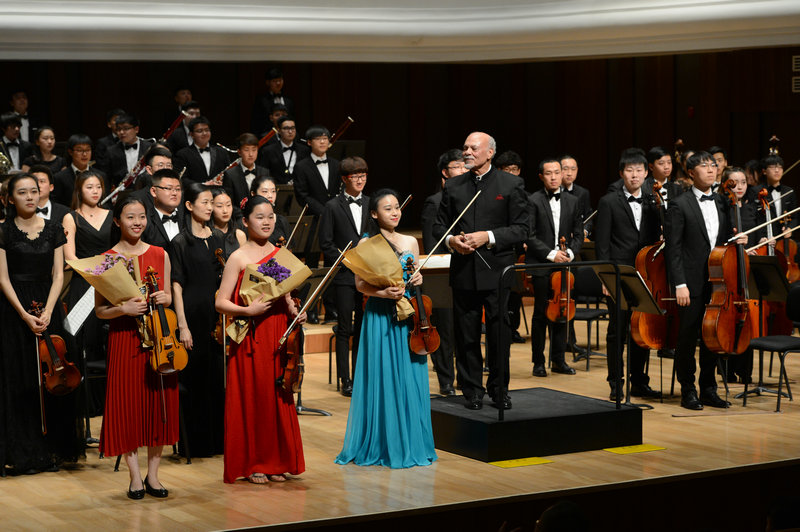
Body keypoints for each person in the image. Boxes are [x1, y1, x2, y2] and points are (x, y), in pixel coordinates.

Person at [335, 189, 437, 468]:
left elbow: (415, 275)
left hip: (410, 316)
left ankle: (412, 441)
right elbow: (360, 285)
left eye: (397, 207)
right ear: (374, 213)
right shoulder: (367, 243)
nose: (394, 212)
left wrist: (418, 278)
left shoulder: (410, 241)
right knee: (383, 375)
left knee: (410, 375)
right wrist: (383, 293)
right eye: (387, 208)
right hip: (381, 315)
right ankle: (384, 442)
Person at [432, 131, 529, 410]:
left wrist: (488, 236)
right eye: (465, 147)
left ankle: (499, 389)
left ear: (490, 153)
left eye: (474, 148)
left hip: (498, 271)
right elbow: (439, 227)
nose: (467, 152)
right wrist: (452, 241)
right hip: (464, 270)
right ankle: (471, 391)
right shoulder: (453, 185)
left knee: (499, 334)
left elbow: (522, 229)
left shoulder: (511, 184)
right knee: (466, 335)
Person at [215, 195, 306, 484]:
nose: (266, 222)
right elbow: (220, 302)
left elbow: (287, 296)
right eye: (259, 217)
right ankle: (254, 462)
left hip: (278, 332)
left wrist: (295, 312)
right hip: (251, 336)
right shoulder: (238, 257)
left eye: (270, 216)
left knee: (277, 395)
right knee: (255, 398)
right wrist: (247, 310)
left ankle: (277, 461)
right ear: (245, 221)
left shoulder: (281, 254)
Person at [0, 173, 84, 475]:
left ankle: (53, 448)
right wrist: (25, 315)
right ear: (10, 199)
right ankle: (24, 450)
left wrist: (48, 311)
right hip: (14, 310)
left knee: (54, 377)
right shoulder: (3, 231)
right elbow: (2, 279)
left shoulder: (53, 229)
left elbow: (58, 275)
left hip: (48, 306)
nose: (29, 197)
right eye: (22, 192)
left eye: (33, 191)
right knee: (20, 376)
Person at [96, 195, 178, 499]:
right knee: (126, 406)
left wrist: (166, 298)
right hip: (124, 339)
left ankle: (153, 475)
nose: (137, 222)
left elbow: (168, 296)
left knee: (159, 403)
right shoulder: (106, 259)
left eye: (141, 216)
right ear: (117, 221)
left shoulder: (160, 254)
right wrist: (123, 309)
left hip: (158, 338)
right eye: (130, 217)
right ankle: (134, 477)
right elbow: (100, 311)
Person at [665, 151, 745, 410]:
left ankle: (709, 388)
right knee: (687, 338)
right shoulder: (679, 204)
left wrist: (739, 240)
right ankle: (688, 390)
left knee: (713, 336)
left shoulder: (723, 201)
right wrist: (679, 284)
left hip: (719, 281)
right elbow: (673, 249)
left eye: (713, 165)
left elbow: (726, 240)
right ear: (691, 173)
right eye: (704, 166)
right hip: (690, 283)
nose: (711, 170)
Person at [594, 150, 662, 400]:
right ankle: (616, 383)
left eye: (639, 170)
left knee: (641, 329)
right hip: (618, 274)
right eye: (629, 170)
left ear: (646, 173)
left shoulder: (653, 201)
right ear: (621, 173)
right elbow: (602, 244)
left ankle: (639, 382)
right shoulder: (608, 202)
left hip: (646, 275)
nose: (634, 175)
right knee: (617, 330)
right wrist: (605, 278)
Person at [171, 183, 225, 457]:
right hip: (192, 315)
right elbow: (176, 285)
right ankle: (195, 444)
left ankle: (218, 441)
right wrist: (182, 325)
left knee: (217, 377)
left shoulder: (218, 238)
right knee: (195, 379)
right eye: (204, 202)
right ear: (190, 205)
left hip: (216, 317)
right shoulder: (180, 242)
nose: (209, 207)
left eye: (211, 202)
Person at [319, 156, 372, 397]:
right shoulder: (332, 206)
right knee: (344, 328)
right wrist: (347, 259)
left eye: (363, 175)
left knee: (362, 326)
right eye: (355, 176)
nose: (360, 180)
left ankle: (359, 375)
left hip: (367, 275)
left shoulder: (371, 203)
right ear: (344, 179)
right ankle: (345, 379)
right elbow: (326, 243)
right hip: (344, 276)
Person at [62, 169, 113, 416]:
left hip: (110, 282)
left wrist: (106, 270)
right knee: (80, 339)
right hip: (83, 283)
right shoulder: (71, 217)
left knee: (107, 340)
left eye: (98, 187)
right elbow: (70, 256)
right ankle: (85, 405)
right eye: (89, 187)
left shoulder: (111, 215)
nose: (95, 191)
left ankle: (108, 402)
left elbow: (117, 250)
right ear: (79, 190)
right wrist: (94, 270)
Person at [526, 159, 582, 379]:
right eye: (548, 173)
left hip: (565, 264)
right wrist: (551, 254)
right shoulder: (533, 200)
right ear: (541, 176)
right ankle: (538, 362)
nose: (553, 177)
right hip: (542, 264)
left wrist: (569, 253)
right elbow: (529, 235)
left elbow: (578, 234)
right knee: (541, 314)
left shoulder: (573, 201)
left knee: (562, 312)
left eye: (557, 172)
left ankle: (559, 360)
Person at [420, 149, 464, 395]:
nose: (463, 170)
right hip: (443, 275)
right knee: (445, 330)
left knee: (464, 329)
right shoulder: (434, 202)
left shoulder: (471, 199)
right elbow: (431, 245)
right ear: (445, 173)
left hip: (467, 272)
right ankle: (446, 380)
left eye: (466, 166)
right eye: (458, 166)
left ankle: (466, 378)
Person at [292, 124, 341, 323]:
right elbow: (302, 195)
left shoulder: (336, 164)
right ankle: (309, 309)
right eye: (318, 138)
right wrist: (325, 211)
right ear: (309, 143)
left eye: (325, 138)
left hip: (334, 223)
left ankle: (331, 309)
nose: (323, 141)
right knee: (311, 267)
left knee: (332, 266)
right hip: (313, 222)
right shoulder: (301, 166)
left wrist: (333, 212)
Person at [495, 150, 526, 345]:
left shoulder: (523, 194)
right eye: (507, 170)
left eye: (514, 170)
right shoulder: (495, 193)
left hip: (518, 250)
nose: (511, 174)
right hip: (499, 249)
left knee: (516, 293)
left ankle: (513, 328)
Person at [53, 133, 109, 206]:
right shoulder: (59, 178)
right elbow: (57, 205)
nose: (85, 154)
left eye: (88, 150)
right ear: (70, 152)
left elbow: (107, 204)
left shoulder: (101, 176)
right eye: (80, 150)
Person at [174, 116, 231, 187]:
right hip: (195, 192)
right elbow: (181, 178)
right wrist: (202, 185)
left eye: (207, 130)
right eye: (199, 131)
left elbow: (229, 174)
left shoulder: (221, 152)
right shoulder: (182, 154)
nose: (204, 133)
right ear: (191, 134)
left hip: (219, 191)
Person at [100, 114, 154, 186]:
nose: (121, 132)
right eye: (118, 129)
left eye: (126, 128)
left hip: (147, 189)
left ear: (136, 129)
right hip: (123, 192)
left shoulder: (149, 147)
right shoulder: (111, 151)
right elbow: (106, 178)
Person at [142, 168, 184, 256]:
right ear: (154, 191)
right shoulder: (144, 220)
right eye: (169, 188)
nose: (174, 193)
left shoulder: (187, 217)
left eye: (178, 189)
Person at [258, 115, 310, 184]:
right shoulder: (268, 151)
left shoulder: (304, 150)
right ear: (279, 130)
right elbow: (263, 174)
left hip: (300, 189)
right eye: (286, 128)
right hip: (276, 188)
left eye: (293, 128)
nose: (290, 131)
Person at [222, 132, 269, 208]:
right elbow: (229, 203)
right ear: (239, 152)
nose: (251, 154)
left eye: (254, 150)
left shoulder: (265, 172)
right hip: (239, 214)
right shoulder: (230, 174)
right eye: (246, 150)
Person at [250, 66, 295, 137]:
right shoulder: (262, 101)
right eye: (274, 81)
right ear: (268, 82)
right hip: (267, 136)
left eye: (280, 80)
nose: (278, 83)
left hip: (286, 136)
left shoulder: (288, 101)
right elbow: (256, 122)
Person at [250, 174, 290, 245]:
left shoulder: (282, 221)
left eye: (273, 191)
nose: (270, 195)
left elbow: (290, 248)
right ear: (253, 194)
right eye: (265, 191)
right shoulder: (247, 222)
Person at [211, 187, 246, 257]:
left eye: (228, 205)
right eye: (219, 206)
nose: (225, 210)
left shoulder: (239, 235)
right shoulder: (206, 235)